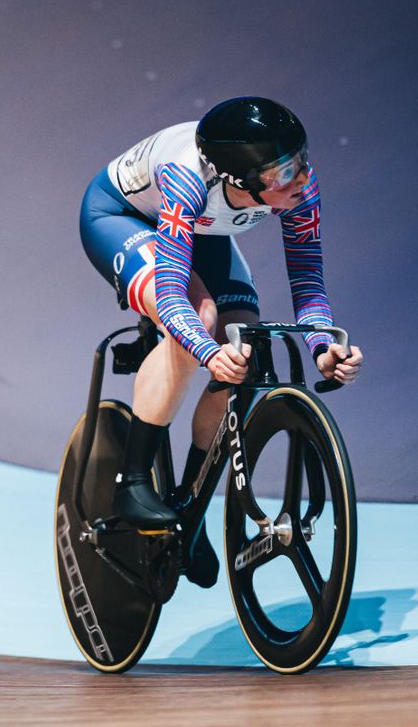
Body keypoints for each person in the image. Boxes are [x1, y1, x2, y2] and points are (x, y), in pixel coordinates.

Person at [78, 96, 363, 588]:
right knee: (200, 319)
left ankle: (190, 505)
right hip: (122, 218)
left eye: (299, 161)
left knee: (245, 341)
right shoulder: (187, 178)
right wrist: (208, 352)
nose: (298, 179)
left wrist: (324, 349)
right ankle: (132, 482)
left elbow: (309, 285)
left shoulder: (299, 189)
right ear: (240, 181)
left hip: (202, 227)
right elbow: (170, 294)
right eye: (281, 174)